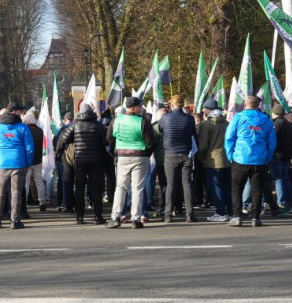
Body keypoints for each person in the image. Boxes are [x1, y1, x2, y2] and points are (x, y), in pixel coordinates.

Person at [224, 95, 277, 227]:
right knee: (257, 190)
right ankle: (255, 218)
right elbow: (272, 142)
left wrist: (230, 156)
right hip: (259, 160)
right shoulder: (266, 120)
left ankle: (237, 217)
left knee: (236, 188)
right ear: (258, 105)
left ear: (245, 104)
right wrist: (267, 157)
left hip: (240, 158)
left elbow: (229, 138)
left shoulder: (238, 118)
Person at [106, 97, 156, 229]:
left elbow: (109, 139)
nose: (141, 108)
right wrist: (146, 154)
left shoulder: (116, 120)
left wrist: (117, 152)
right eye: (140, 106)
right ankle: (136, 218)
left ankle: (115, 216)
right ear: (134, 108)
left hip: (122, 155)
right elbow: (151, 143)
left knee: (121, 187)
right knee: (137, 188)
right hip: (140, 156)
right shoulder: (143, 122)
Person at [55, 107, 109, 224]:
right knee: (96, 189)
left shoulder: (75, 126)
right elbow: (106, 141)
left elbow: (64, 139)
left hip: (80, 160)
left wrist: (61, 153)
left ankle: (80, 217)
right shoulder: (98, 126)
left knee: (79, 189)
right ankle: (98, 216)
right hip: (96, 161)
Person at [0, 103, 34, 230]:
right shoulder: (23, 127)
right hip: (19, 164)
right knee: (16, 193)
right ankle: (15, 220)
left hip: (2, 164)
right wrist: (27, 163)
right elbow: (29, 148)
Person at [158, 94, 198, 223]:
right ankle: (190, 214)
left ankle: (168, 214)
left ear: (172, 105)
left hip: (170, 154)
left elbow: (161, 131)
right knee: (187, 184)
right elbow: (193, 134)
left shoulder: (165, 117)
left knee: (171, 184)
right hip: (186, 153)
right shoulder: (190, 119)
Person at [197, 99, 232, 222]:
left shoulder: (207, 124)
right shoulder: (227, 123)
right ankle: (231, 212)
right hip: (227, 159)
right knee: (227, 187)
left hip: (213, 160)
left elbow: (203, 145)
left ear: (209, 110)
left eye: (204, 108)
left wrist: (201, 157)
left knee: (217, 187)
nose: (203, 110)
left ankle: (220, 212)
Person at [270, 105, 292, 214]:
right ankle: (288, 201)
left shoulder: (276, 124)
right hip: (287, 154)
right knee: (285, 178)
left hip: (277, 154)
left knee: (278, 179)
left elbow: (273, 140)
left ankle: (282, 202)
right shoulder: (289, 124)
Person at [22, 111, 47, 211]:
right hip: (38, 159)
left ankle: (24, 202)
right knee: (39, 181)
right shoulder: (40, 131)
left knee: (26, 182)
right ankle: (42, 201)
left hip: (27, 160)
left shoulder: (24, 130)